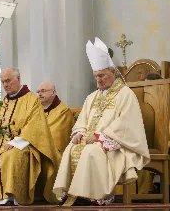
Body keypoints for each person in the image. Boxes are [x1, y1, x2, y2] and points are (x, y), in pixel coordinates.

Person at [53, 37, 150, 206]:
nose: (98, 80)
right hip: (92, 140)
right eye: (96, 76)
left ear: (113, 72)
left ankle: (93, 196)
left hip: (117, 144)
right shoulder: (92, 97)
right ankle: (73, 194)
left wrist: (100, 137)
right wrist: (79, 133)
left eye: (102, 75)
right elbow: (82, 120)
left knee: (91, 152)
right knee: (71, 149)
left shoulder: (126, 94)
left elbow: (127, 124)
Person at [0, 68, 61, 206]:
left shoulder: (32, 100)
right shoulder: (3, 102)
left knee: (12, 157)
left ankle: (12, 196)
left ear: (18, 79)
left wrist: (16, 142)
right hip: (1, 144)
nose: (5, 85)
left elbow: (35, 126)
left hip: (25, 144)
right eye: (3, 82)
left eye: (8, 81)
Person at [37, 82, 74, 154]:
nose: (40, 94)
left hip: (52, 152)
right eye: (38, 92)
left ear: (53, 92)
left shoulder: (63, 111)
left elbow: (57, 136)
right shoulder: (37, 110)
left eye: (43, 91)